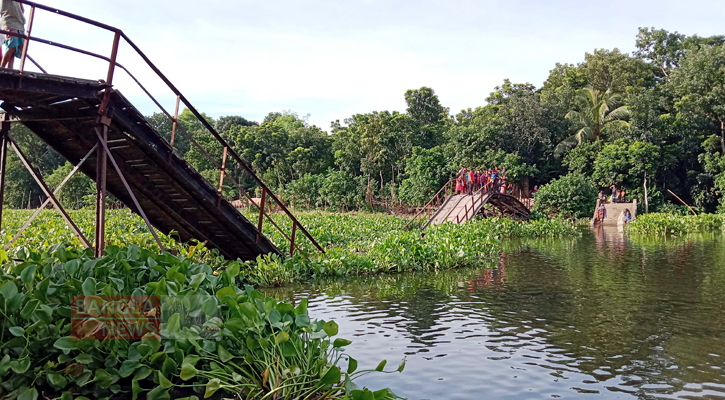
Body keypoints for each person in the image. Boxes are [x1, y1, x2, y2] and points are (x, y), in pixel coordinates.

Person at [0, 0, 25, 69]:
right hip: (9, 19)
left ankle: (10, 69)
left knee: (14, 48)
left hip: (17, 20)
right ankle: (2, 68)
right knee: (12, 45)